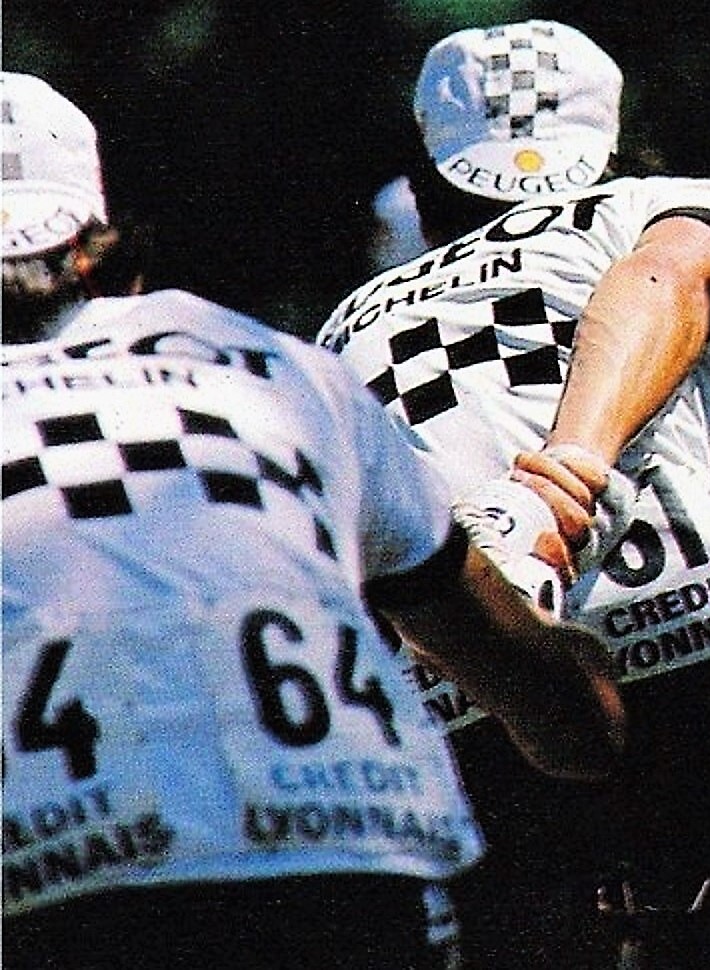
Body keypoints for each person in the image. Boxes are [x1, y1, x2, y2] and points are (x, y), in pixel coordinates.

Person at [1, 71, 627, 970]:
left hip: (64, 883)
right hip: (362, 857)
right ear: (102, 252)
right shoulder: (283, 369)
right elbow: (561, 716)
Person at [318, 20, 710, 968]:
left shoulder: (345, 323)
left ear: (424, 189)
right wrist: (567, 475)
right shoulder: (652, 204)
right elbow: (666, 277)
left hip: (471, 700)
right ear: (609, 142)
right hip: (702, 638)